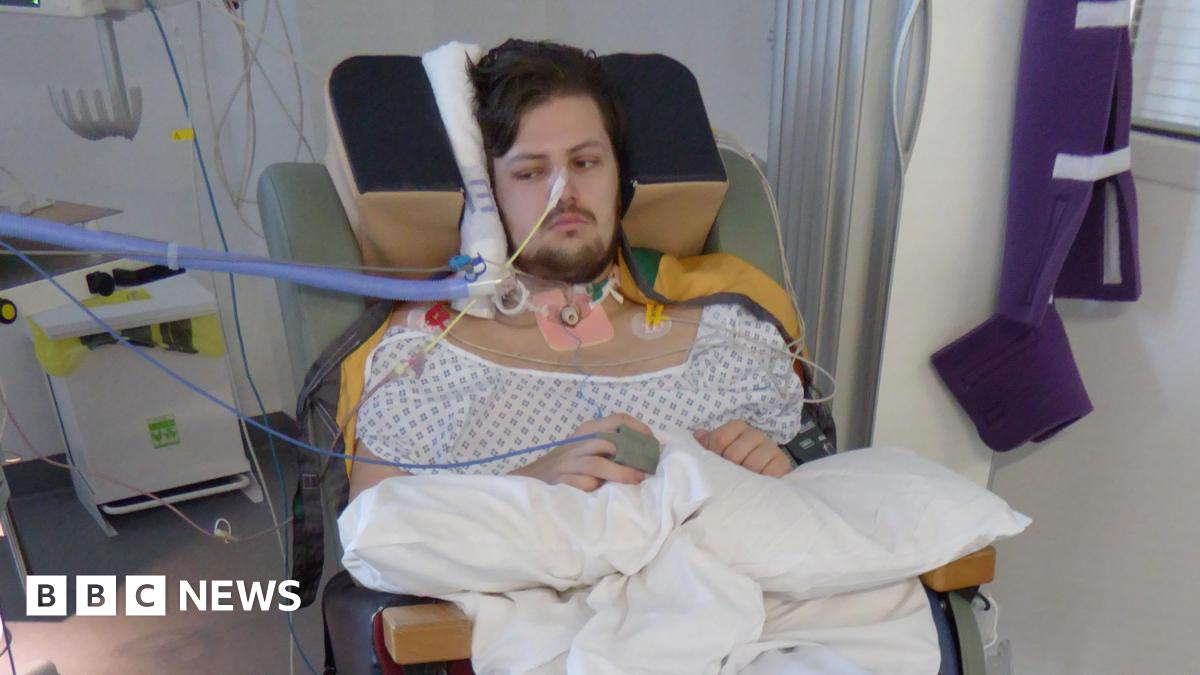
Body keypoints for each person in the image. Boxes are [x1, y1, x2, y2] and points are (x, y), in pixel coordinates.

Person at [347, 40, 806, 501]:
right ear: (488, 194)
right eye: (530, 173)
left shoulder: (728, 333)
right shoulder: (427, 358)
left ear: (618, 177)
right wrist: (534, 484)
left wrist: (774, 469)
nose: (563, 192)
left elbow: (815, 500)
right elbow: (374, 536)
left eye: (585, 163)